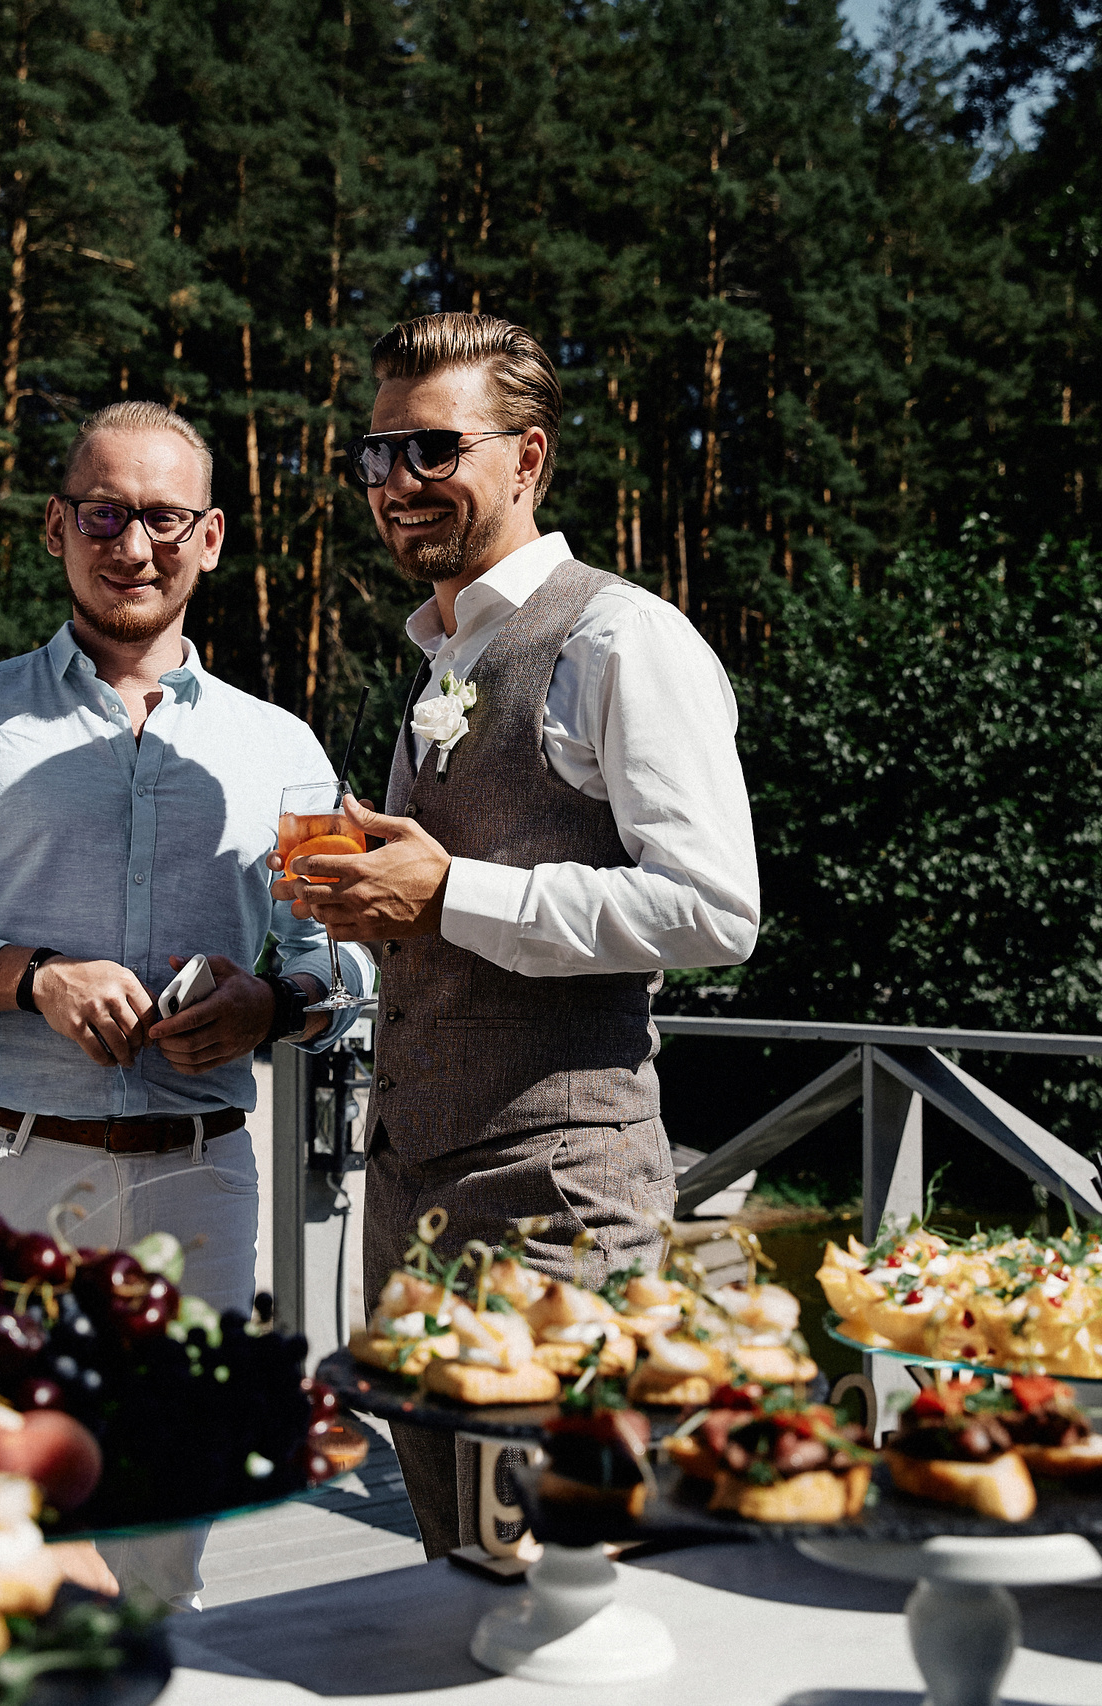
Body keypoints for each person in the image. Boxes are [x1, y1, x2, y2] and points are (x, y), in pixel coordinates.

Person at [274, 312, 760, 1553]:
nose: (396, 483)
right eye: (376, 454)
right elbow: (439, 902)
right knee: (459, 1561)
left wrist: (447, 893)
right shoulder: (443, 651)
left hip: (561, 1200)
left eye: (432, 448)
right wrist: (362, 912)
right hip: (411, 1191)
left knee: (573, 1579)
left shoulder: (619, 636)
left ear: (528, 458)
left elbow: (716, 908)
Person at [0, 399, 373, 1602]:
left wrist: (270, 1003)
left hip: (202, 1176)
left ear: (210, 537)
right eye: (104, 513)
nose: (134, 544)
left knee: (166, 1531)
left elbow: (347, 960)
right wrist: (25, 976)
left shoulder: (285, 747)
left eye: (164, 517)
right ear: (58, 526)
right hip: (0, 1168)